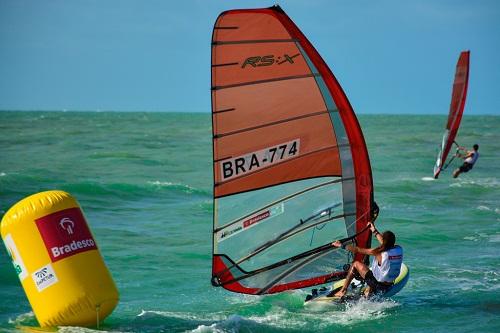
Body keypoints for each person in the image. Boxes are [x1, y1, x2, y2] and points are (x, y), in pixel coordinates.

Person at [331, 222, 403, 298]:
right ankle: (368, 291)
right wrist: (374, 230)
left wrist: (341, 245)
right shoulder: (398, 249)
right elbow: (386, 243)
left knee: (356, 264)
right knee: (375, 272)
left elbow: (357, 249)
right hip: (388, 285)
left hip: (377, 285)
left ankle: (342, 291)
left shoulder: (379, 253)